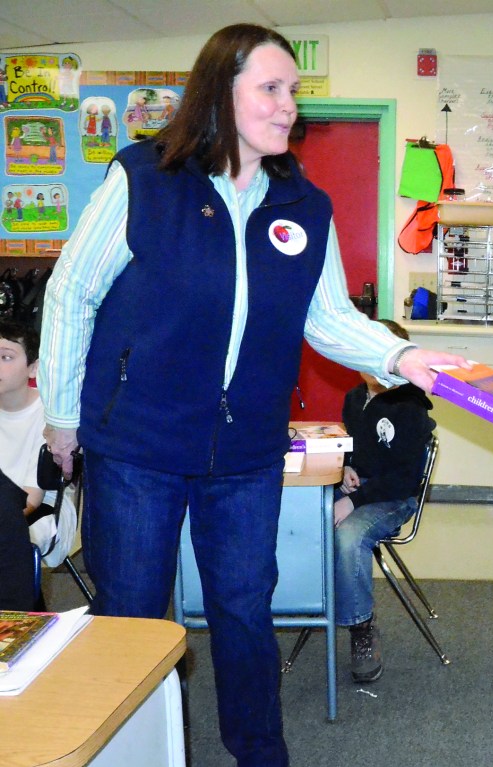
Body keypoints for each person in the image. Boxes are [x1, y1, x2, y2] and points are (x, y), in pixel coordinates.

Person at [38, 24, 466, 767]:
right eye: (270, 88)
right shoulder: (145, 179)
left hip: (245, 451)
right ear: (219, 92)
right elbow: (73, 293)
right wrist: (63, 414)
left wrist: (403, 356)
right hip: (137, 443)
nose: (287, 105)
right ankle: (125, 752)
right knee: (131, 613)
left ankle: (260, 752)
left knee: (243, 608)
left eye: (292, 90)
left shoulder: (304, 205)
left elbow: (327, 318)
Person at [332, 319, 436, 683]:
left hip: (393, 497)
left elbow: (405, 479)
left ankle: (361, 627)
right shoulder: (354, 398)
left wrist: (355, 500)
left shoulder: (409, 407)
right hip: (358, 489)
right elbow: (349, 448)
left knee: (348, 536)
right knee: (299, 517)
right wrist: (344, 469)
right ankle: (309, 605)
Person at [0, 321, 42, 610]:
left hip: (37, 511)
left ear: (33, 368)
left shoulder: (49, 415)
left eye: (6, 357)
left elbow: (32, 499)